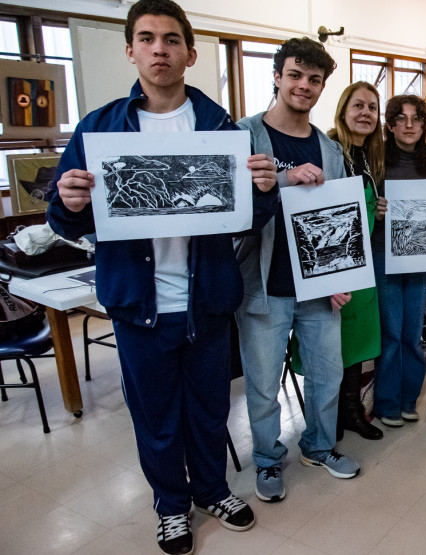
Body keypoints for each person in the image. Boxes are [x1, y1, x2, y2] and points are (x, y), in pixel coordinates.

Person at [45, 1, 276, 553]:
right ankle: (171, 506)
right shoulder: (100, 128)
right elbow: (65, 215)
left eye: (171, 39)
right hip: (138, 304)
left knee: (209, 409)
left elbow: (250, 217)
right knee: (156, 417)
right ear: (130, 50)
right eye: (146, 38)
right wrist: (70, 201)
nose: (159, 49)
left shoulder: (223, 128)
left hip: (207, 301)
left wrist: (266, 192)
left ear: (190, 54)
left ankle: (213, 489)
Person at [235, 36, 360, 507]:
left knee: (327, 375)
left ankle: (319, 446)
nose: (303, 86)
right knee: (264, 383)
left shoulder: (329, 149)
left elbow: (341, 218)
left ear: (323, 86)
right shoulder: (245, 136)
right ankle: (268, 458)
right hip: (263, 285)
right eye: (295, 75)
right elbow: (229, 208)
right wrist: (283, 180)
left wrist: (341, 275)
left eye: (314, 79)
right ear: (276, 76)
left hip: (318, 288)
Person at [372, 95, 426, 427]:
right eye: (402, 118)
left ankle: (408, 398)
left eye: (416, 119)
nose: (409, 125)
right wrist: (376, 208)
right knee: (391, 334)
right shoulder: (377, 160)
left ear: (425, 125)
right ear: (390, 125)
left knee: (412, 333)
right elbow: (362, 204)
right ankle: (386, 402)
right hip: (384, 255)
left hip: (419, 254)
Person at [327, 81, 385, 441]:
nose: (366, 113)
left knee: (356, 339)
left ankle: (351, 410)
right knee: (328, 340)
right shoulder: (330, 149)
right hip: (333, 258)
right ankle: (328, 413)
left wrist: (376, 210)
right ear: (344, 110)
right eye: (358, 106)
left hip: (362, 259)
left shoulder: (371, 155)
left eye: (372, 108)